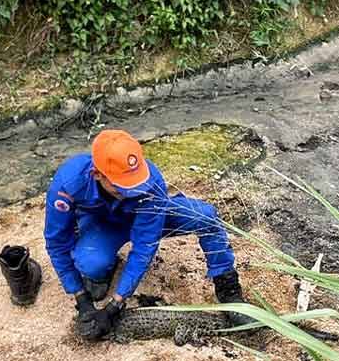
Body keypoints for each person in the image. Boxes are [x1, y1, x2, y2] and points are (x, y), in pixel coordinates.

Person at [43, 129, 246, 340]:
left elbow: (144, 246)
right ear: (97, 174)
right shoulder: (68, 183)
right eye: (123, 185)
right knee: (91, 264)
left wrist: (116, 305)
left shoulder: (150, 181)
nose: (134, 191)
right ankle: (104, 270)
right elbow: (57, 243)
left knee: (206, 217)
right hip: (103, 224)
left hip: (147, 218)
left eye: (135, 183)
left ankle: (229, 289)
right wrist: (81, 299)